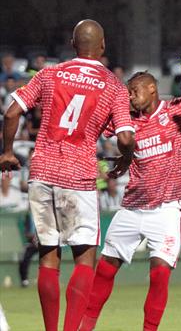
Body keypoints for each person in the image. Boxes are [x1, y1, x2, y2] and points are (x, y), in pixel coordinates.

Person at [0, 20, 135, 331]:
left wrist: (7, 152)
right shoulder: (113, 85)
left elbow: (11, 112)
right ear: (102, 47)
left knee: (49, 256)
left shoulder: (49, 73)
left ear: (74, 45)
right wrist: (125, 160)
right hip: (79, 175)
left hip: (42, 171)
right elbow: (126, 139)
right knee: (85, 258)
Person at [79, 72, 181, 331]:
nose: (131, 96)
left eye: (134, 90)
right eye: (128, 92)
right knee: (105, 270)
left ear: (152, 88)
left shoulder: (176, 110)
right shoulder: (125, 120)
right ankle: (85, 327)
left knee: (159, 274)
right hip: (132, 206)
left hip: (166, 209)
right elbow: (93, 125)